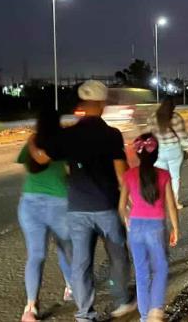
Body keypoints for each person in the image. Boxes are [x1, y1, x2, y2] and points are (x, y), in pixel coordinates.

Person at [29, 80, 135, 322]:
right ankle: (121, 300)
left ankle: (85, 315)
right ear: (102, 104)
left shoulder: (68, 135)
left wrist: (32, 142)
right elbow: (122, 173)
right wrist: (129, 201)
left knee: (81, 264)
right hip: (107, 205)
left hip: (77, 209)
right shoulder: (111, 135)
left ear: (83, 104)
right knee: (117, 255)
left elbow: (42, 158)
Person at [17, 109, 73, 322]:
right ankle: (71, 288)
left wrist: (32, 141)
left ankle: (30, 307)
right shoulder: (62, 143)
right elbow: (70, 170)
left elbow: (28, 164)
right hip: (59, 202)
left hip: (30, 203)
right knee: (66, 249)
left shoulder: (33, 142)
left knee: (36, 255)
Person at [118, 134, 179, 322]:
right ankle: (155, 310)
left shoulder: (129, 175)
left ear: (138, 154)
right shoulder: (163, 175)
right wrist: (175, 228)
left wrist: (127, 220)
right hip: (156, 227)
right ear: (156, 153)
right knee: (160, 269)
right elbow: (171, 205)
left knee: (142, 273)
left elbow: (121, 206)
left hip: (135, 227)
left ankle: (145, 318)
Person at [146, 97, 188, 210]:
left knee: (160, 177)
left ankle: (161, 201)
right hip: (174, 150)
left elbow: (149, 135)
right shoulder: (176, 117)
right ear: (173, 106)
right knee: (175, 177)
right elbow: (182, 137)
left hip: (159, 151)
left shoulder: (153, 117)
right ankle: (175, 202)